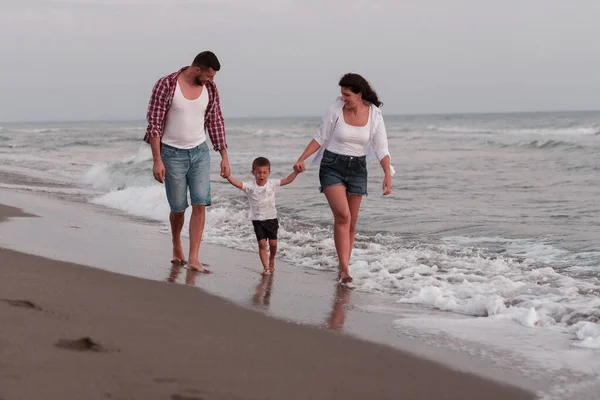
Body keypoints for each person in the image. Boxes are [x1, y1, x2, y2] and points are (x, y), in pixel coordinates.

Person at [293, 73, 393, 285]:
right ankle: (345, 270)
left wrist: (387, 174)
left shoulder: (374, 114)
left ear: (359, 94)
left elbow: (381, 147)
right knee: (343, 216)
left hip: (357, 168)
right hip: (332, 165)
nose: (343, 98)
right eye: (341, 94)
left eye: (347, 94)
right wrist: (302, 158)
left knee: (352, 223)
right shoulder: (336, 109)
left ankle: (343, 266)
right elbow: (320, 136)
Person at [144, 51, 230, 273]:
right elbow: (154, 124)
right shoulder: (166, 85)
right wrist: (157, 160)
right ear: (197, 69)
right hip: (172, 154)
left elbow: (216, 120)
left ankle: (194, 257)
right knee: (179, 207)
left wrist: (224, 156)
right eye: (209, 76)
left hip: (200, 152)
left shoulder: (210, 89)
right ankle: (176, 245)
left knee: (200, 203)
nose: (211, 81)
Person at [222, 157, 299, 275]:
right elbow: (238, 184)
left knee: (273, 244)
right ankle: (266, 267)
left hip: (271, 218)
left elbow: (288, 180)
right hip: (257, 219)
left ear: (269, 173)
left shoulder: (272, 184)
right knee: (262, 244)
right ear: (253, 172)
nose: (261, 175)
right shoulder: (250, 186)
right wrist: (228, 176)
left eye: (264, 172)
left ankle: (272, 259)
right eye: (258, 172)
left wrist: (296, 172)